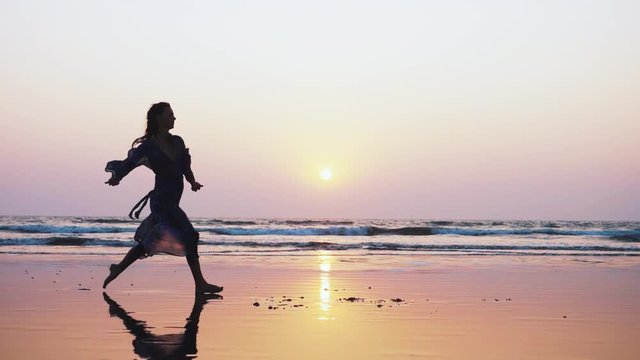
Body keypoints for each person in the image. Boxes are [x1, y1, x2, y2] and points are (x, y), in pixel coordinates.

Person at [103, 102, 223, 294]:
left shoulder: (178, 142)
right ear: (158, 118)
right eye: (169, 115)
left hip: (173, 200)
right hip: (161, 200)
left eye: (173, 115)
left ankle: (119, 267)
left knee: (151, 241)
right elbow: (129, 163)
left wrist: (192, 182)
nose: (173, 118)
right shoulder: (149, 146)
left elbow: (185, 166)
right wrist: (116, 177)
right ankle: (200, 283)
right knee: (190, 235)